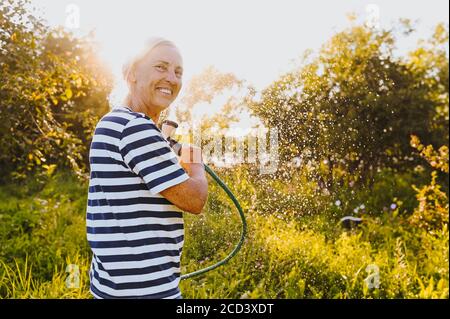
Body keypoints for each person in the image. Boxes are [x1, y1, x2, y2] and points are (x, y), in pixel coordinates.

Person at [86, 37, 208, 299]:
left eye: (178, 72)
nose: (172, 79)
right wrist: (195, 163)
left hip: (111, 286)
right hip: (146, 290)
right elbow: (194, 200)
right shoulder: (135, 127)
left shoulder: (113, 122)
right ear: (132, 74)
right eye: (160, 67)